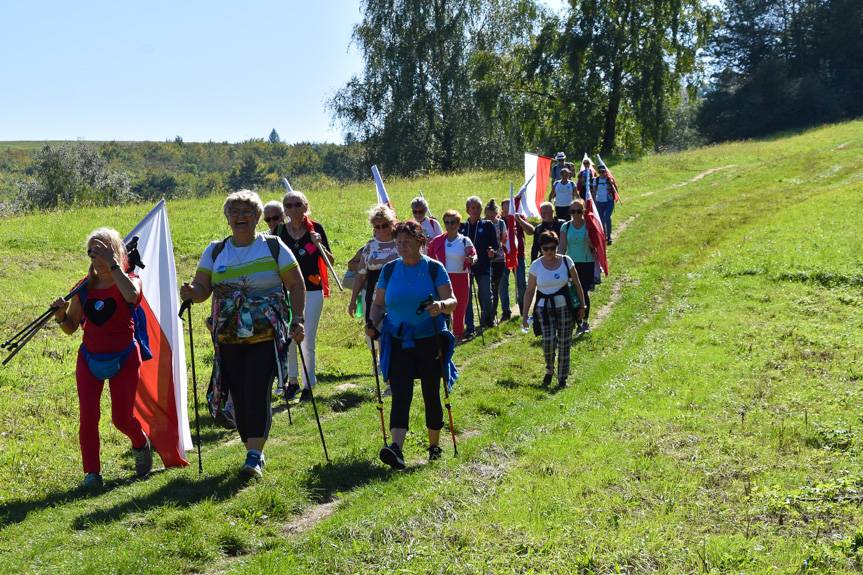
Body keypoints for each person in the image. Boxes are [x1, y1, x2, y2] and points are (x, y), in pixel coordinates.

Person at [180, 190, 306, 479]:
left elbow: (296, 285)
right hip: (228, 337)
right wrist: (192, 292)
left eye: (247, 212)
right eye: (234, 212)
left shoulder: (273, 247)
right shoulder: (215, 251)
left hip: (266, 335)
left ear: (257, 217)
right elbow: (202, 289)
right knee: (237, 395)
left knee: (257, 389)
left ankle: (254, 455)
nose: (240, 217)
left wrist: (297, 319)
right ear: (226, 218)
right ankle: (251, 446)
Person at [51, 228, 153, 489]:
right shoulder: (83, 288)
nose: (98, 257)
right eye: (93, 251)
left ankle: (140, 442)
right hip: (89, 360)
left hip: (125, 357)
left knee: (120, 419)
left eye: (104, 250)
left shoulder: (129, 278)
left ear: (117, 252)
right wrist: (61, 314)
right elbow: (71, 327)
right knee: (88, 418)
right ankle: (92, 475)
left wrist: (114, 265)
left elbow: (132, 296)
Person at [367, 220, 457, 468]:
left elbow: (452, 300)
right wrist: (372, 323)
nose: (402, 246)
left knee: (431, 392)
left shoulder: (433, 268)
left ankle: (434, 446)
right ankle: (396, 448)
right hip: (397, 340)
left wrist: (440, 306)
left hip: (429, 339)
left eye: (407, 241)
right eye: (398, 242)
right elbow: (378, 304)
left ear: (420, 241)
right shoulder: (389, 270)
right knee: (400, 394)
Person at [274, 190, 334, 402]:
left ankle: (309, 383)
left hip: (312, 289)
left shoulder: (315, 229)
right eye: (288, 205)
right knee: (289, 337)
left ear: (305, 206)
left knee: (307, 337)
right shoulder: (280, 232)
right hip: (287, 291)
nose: (292, 209)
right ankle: (292, 381)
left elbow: (330, 263)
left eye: (297, 204)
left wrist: (318, 244)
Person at [522, 230, 585, 388]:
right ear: (541, 249)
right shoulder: (536, 265)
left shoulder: (566, 261)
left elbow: (577, 284)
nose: (549, 252)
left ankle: (562, 378)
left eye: (552, 248)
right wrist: (524, 316)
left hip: (565, 307)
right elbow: (529, 291)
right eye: (545, 249)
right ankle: (550, 369)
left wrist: (582, 305)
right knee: (548, 341)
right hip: (544, 309)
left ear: (557, 246)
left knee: (564, 343)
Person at [427, 209, 476, 341]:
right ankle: (443, 335)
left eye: (453, 222)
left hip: (460, 277)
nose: (450, 225)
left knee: (459, 308)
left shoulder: (464, 240)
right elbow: (429, 258)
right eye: (447, 222)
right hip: (443, 278)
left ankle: (458, 336)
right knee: (442, 307)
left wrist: (472, 258)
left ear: (459, 224)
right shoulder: (437, 241)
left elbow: (472, 254)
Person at [460, 196, 499, 335]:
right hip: (466, 268)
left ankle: (488, 319)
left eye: (478, 208)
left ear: (481, 209)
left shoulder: (487, 225)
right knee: (467, 297)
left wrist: (491, 252)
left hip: (483, 265)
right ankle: (469, 326)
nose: (475, 210)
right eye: (473, 208)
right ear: (467, 210)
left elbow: (495, 245)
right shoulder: (462, 227)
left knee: (485, 295)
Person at [558, 198, 596, 335]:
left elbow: (596, 246)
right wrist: (558, 262)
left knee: (583, 292)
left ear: (583, 211)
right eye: (572, 211)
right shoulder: (565, 227)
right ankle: (577, 321)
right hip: (570, 264)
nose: (575, 214)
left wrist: (590, 242)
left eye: (578, 211)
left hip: (586, 263)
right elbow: (562, 246)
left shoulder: (589, 225)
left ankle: (584, 321)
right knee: (572, 293)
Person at [485, 199, 510, 323]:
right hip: (485, 260)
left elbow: (504, 240)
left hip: (499, 259)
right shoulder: (482, 224)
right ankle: (487, 313)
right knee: (485, 288)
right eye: (488, 216)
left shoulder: (501, 224)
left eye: (492, 216)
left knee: (495, 288)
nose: (490, 218)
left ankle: (493, 313)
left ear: (497, 214)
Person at [501, 198, 527, 317]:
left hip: (519, 255)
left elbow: (530, 230)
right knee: (503, 283)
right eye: (505, 208)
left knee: (521, 283)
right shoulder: (500, 221)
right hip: (504, 256)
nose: (508, 210)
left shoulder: (519, 218)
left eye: (509, 207)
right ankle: (506, 311)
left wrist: (519, 220)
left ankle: (523, 307)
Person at [595, 164, 619, 244]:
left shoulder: (609, 180)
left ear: (606, 171)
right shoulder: (596, 180)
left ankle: (609, 237)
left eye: (603, 171)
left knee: (607, 217)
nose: (602, 173)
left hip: (609, 201)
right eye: (600, 171)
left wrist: (611, 184)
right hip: (599, 202)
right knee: (601, 220)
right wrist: (593, 201)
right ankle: (604, 236)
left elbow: (615, 189)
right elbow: (594, 191)